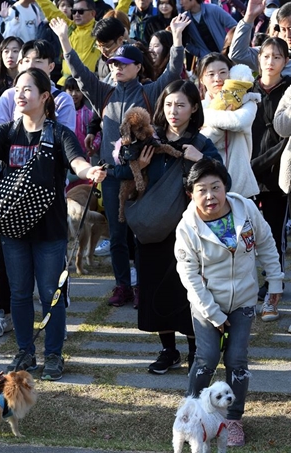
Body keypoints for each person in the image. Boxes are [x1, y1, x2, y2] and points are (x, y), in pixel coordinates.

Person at [0, 68, 107, 380]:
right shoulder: (8, 131)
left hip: (50, 231)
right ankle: (25, 352)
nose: (20, 94)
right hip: (13, 229)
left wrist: (90, 172)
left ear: (44, 96)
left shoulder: (59, 133)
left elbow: (77, 162)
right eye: (17, 88)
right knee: (19, 293)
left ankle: (54, 354)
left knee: (51, 293)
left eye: (28, 89)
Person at [54, 14, 188, 307]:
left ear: (138, 68)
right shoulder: (104, 92)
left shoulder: (150, 91)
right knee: (116, 236)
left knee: (142, 233)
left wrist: (176, 39)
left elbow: (174, 74)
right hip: (112, 176)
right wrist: (65, 40)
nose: (117, 68)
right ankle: (122, 286)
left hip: (144, 173)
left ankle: (144, 286)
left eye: (124, 65)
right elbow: (79, 74)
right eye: (114, 64)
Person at [175, 158, 283, 448]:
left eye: (216, 187)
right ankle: (190, 415)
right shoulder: (187, 228)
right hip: (206, 305)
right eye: (202, 190)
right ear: (191, 194)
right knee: (206, 359)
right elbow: (190, 277)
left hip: (244, 301)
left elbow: (267, 243)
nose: (210, 196)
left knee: (237, 359)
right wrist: (213, 313)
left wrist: (275, 281)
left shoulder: (245, 209)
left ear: (226, 187)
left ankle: (232, 419)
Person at [120, 80, 221, 374]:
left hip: (189, 231)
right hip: (151, 229)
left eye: (180, 105)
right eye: (168, 104)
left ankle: (194, 349)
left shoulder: (201, 143)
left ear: (193, 108)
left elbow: (221, 178)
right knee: (153, 289)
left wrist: (199, 159)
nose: (173, 111)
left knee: (187, 291)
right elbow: (123, 169)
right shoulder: (147, 138)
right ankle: (168, 350)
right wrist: (135, 161)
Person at [251, 37, 290, 319]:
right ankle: (248, 280)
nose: (271, 62)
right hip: (248, 171)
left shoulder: (288, 92)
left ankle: (273, 283)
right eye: (266, 56)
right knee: (248, 230)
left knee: (274, 232)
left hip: (277, 173)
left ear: (285, 62)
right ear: (259, 59)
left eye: (277, 57)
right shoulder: (246, 90)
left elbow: (284, 139)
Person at [197, 53, 259, 199]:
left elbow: (239, 122)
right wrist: (221, 121)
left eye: (223, 72)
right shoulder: (199, 107)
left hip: (242, 185)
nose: (217, 78)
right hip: (209, 189)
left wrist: (205, 117)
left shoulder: (247, 102)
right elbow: (203, 142)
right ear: (201, 79)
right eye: (210, 74)